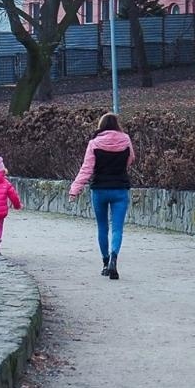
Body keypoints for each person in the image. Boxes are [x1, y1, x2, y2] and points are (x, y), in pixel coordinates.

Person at [68, 112, 136, 280]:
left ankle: (105, 263)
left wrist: (75, 189)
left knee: (102, 227)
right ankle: (114, 257)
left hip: (99, 189)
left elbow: (87, 168)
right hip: (120, 188)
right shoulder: (126, 139)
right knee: (117, 228)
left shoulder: (94, 143)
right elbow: (131, 159)